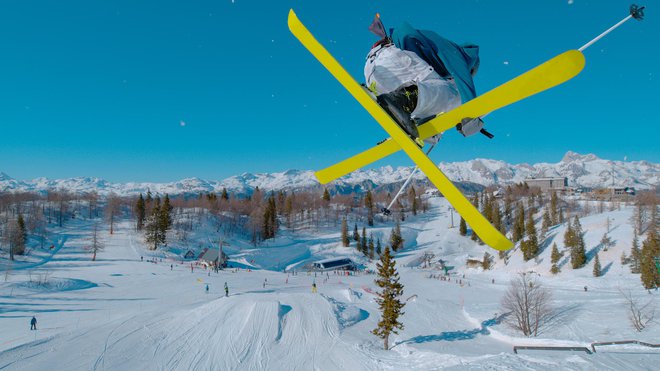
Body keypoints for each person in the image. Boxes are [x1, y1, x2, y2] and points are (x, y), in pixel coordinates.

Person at [364, 14, 488, 145]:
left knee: (438, 95)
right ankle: (403, 99)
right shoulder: (458, 54)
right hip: (392, 58)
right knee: (453, 95)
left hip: (376, 71)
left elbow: (440, 99)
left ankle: (413, 122)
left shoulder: (434, 57)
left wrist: (436, 127)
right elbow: (461, 76)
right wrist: (472, 112)